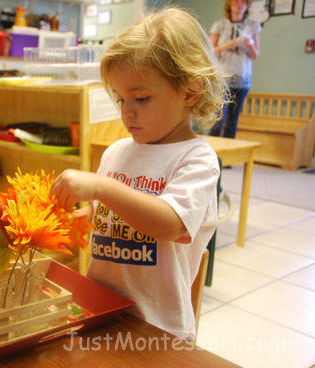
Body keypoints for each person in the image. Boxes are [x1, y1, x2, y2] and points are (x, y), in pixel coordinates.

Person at [49, 7, 227, 340]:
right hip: (99, 309)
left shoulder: (197, 160)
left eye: (141, 98)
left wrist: (101, 187)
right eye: (120, 99)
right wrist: (75, 219)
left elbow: (170, 223)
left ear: (191, 92)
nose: (127, 111)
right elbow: (104, 214)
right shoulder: (117, 152)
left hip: (158, 326)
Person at [209, 0, 261, 138]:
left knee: (233, 121)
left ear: (247, 5)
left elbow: (255, 54)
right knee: (218, 117)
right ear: (229, 5)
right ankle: (211, 155)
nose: (239, 4)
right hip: (223, 78)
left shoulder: (253, 26)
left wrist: (249, 44)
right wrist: (231, 44)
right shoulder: (219, 25)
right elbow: (210, 52)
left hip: (242, 78)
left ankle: (227, 157)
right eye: (236, 1)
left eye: (243, 2)